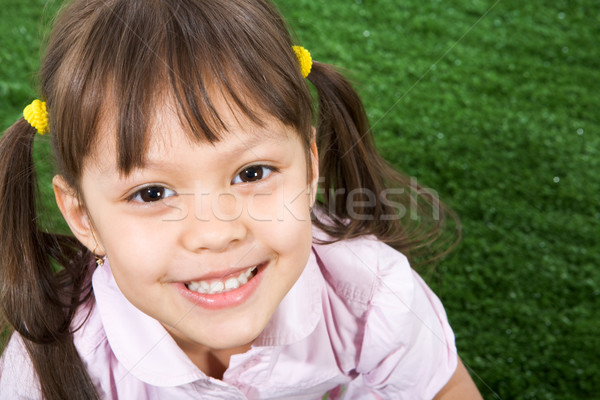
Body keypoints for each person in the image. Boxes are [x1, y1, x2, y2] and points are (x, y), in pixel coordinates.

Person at [0, 0, 482, 398]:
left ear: (310, 167)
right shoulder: (51, 363)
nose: (216, 232)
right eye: (152, 192)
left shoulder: (370, 292)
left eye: (252, 173)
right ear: (84, 219)